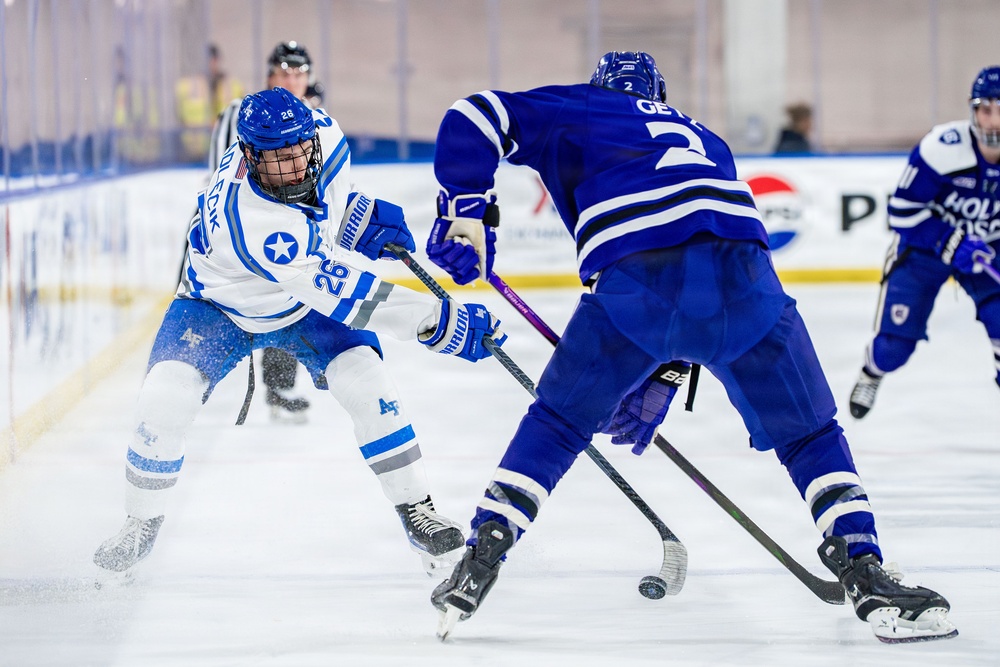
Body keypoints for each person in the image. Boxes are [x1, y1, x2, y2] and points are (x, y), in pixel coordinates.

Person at [425, 51, 956, 643]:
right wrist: (667, 373)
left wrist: (465, 208)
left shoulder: (585, 104)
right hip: (748, 283)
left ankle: (484, 551)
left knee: (558, 422)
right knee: (809, 434)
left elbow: (473, 114)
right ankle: (865, 566)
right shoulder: (705, 137)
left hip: (636, 282)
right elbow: (699, 276)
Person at [93, 88, 506, 579]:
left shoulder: (325, 135)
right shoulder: (251, 222)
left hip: (299, 297)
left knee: (369, 383)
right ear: (249, 157)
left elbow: (325, 204)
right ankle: (139, 524)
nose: (292, 168)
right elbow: (349, 295)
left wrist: (355, 216)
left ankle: (418, 509)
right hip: (217, 304)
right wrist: (440, 322)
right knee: (163, 402)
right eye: (276, 161)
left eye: (298, 154)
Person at [848, 67, 1000, 419]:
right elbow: (901, 212)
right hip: (925, 251)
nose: (993, 122)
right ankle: (872, 372)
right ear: (972, 111)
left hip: (989, 250)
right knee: (893, 350)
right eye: (985, 109)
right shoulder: (943, 148)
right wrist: (949, 241)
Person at [204, 41, 325, 423]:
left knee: (287, 298)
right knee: (205, 297)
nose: (292, 78)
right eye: (285, 71)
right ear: (270, 75)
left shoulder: (318, 118)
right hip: (232, 232)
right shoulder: (239, 113)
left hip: (286, 233)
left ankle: (277, 386)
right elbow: (217, 178)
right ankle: (188, 376)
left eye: (299, 72)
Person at [175, 44, 244, 162]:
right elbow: (179, 116)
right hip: (194, 151)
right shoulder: (186, 86)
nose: (210, 63)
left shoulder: (233, 86)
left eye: (213, 59)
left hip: (226, 148)